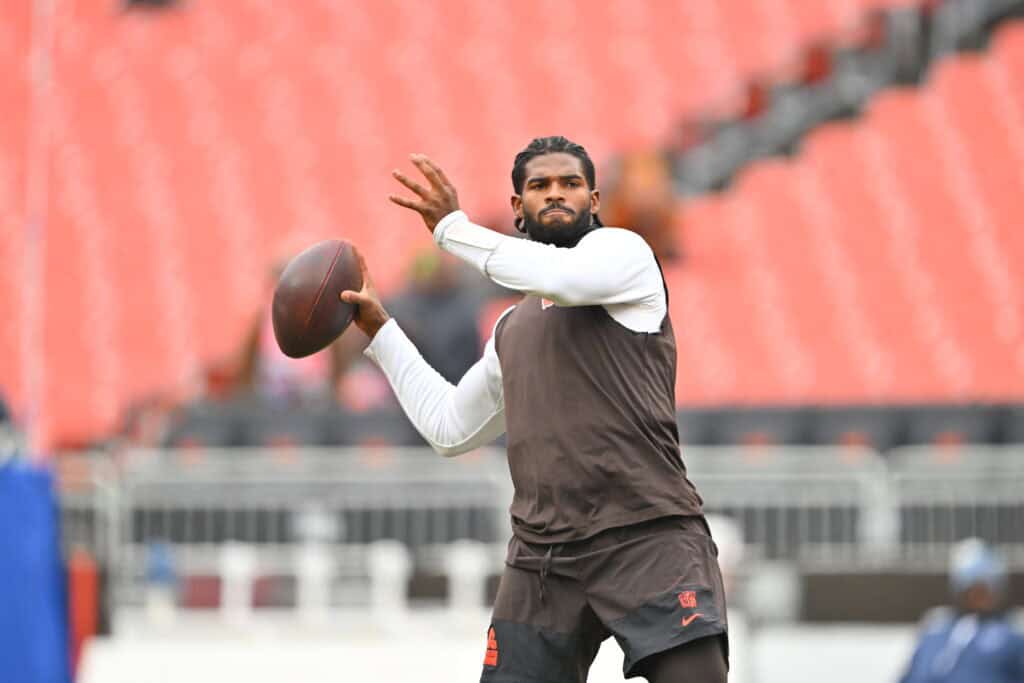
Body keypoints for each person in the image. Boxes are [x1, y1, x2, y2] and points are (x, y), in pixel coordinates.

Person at [341, 136, 728, 683]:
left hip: (648, 534)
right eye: (538, 185)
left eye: (570, 183)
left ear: (594, 201)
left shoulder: (626, 257)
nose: (555, 194)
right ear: (518, 208)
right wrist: (382, 332)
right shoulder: (509, 330)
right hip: (544, 558)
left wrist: (453, 230)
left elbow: (562, 279)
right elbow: (450, 429)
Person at [899, 538, 1024, 682]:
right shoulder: (936, 630)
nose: (978, 598)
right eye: (971, 590)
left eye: (983, 590)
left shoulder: (1011, 635)